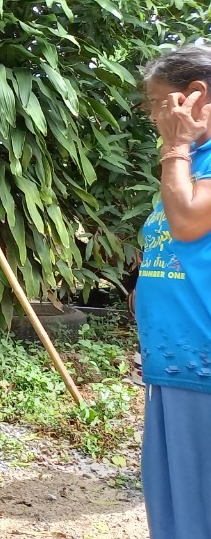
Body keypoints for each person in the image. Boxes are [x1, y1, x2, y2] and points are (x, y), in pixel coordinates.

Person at [134, 44, 211, 539]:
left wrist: (175, 147)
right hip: (175, 358)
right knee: (175, 502)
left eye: (156, 102)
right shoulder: (194, 161)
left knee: (199, 502)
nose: (151, 116)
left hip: (203, 358)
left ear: (194, 95)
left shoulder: (187, 158)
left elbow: (185, 221)